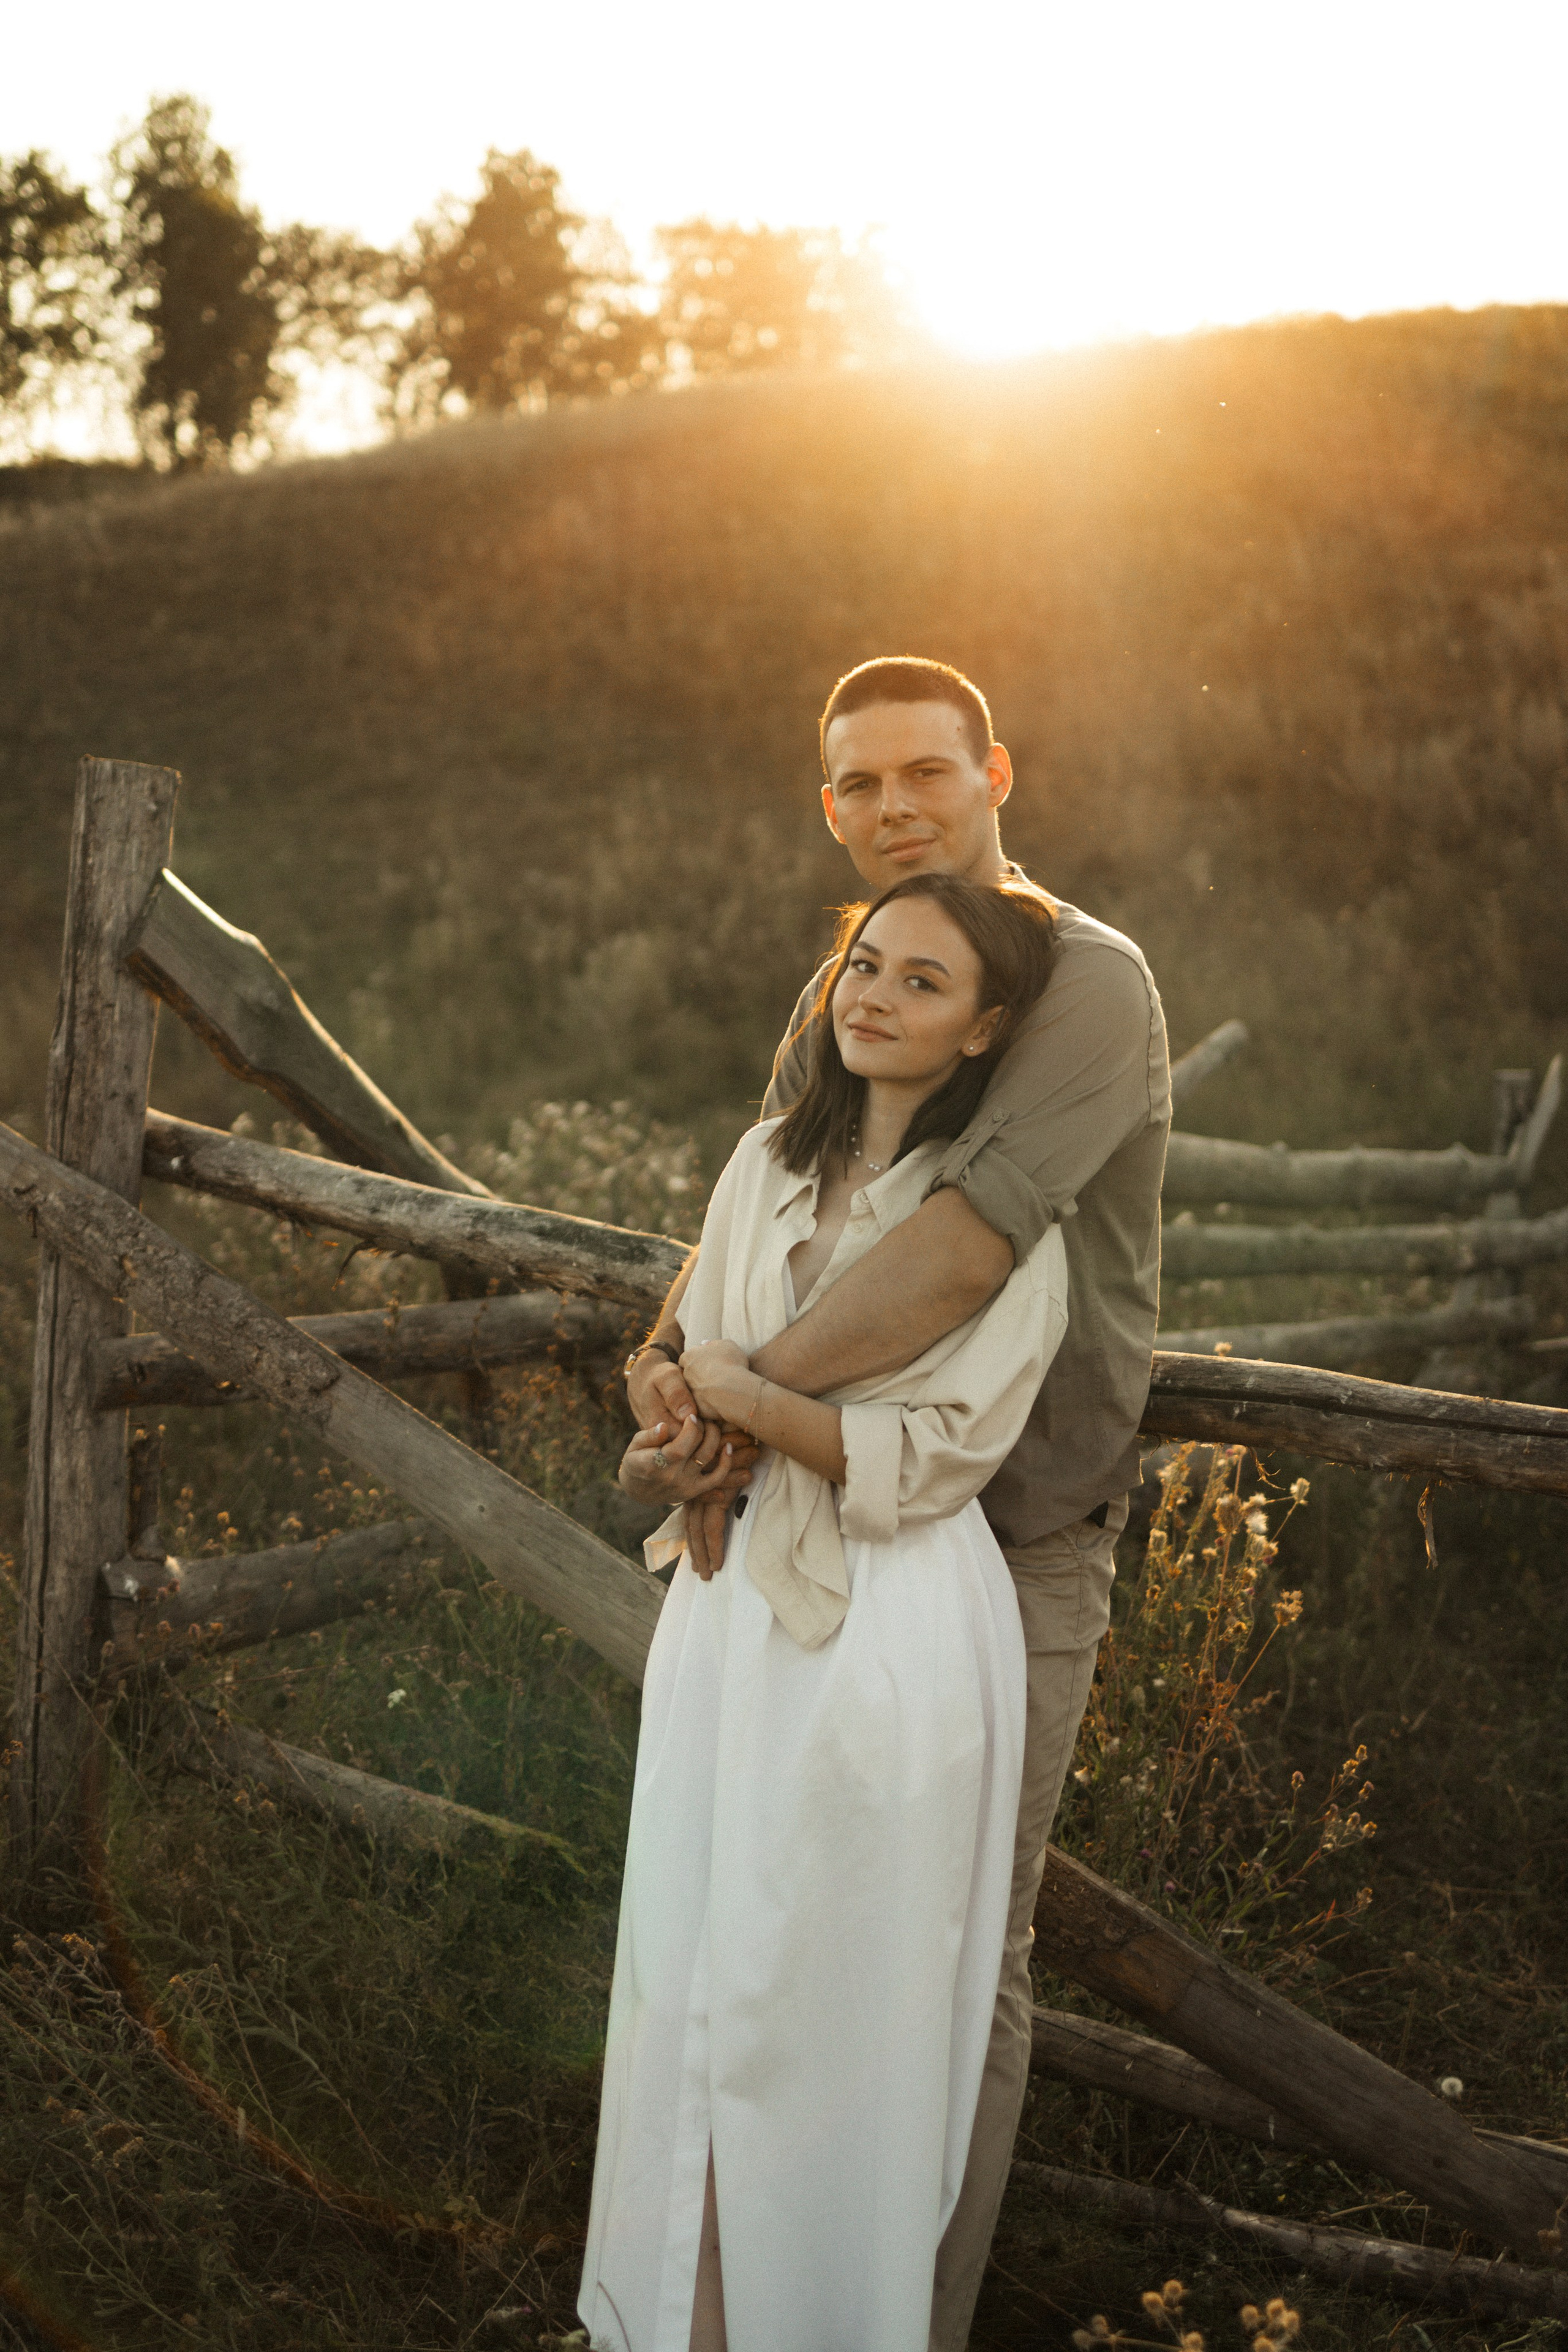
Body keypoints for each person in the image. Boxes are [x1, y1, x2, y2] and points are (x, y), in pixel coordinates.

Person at [616, 657, 1170, 2349]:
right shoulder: (842, 974)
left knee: (953, 1959)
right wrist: (672, 1380)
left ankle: (892, 2320)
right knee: (757, 1926)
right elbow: (763, 1185)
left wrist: (737, 1397)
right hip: (794, 1525)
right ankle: (718, 2300)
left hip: (1003, 1532)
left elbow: (966, 1247)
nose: (893, 808)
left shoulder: (1081, 980)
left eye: (925, 770)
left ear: (999, 769)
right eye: (855, 785)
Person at [579, 872, 1068, 2352]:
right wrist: (685, 1427)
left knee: (827, 2004)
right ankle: (682, 2322)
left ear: (984, 1030)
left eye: (924, 982)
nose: (876, 994)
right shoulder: (760, 1164)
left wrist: (749, 1398)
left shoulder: (1003, 1228)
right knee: (692, 1974)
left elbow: (934, 1458)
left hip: (888, 1622)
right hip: (728, 1610)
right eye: (866, 962)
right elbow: (692, 1351)